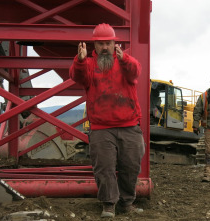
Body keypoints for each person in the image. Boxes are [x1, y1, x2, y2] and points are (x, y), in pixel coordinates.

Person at [69, 23, 145, 218]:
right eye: (101, 43)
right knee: (104, 168)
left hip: (129, 125)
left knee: (131, 166)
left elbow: (136, 71)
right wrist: (79, 60)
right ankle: (109, 204)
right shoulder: (87, 64)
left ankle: (127, 202)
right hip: (101, 128)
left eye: (108, 43)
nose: (104, 47)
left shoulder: (125, 61)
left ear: (114, 43)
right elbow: (76, 76)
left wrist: (125, 59)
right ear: (95, 45)